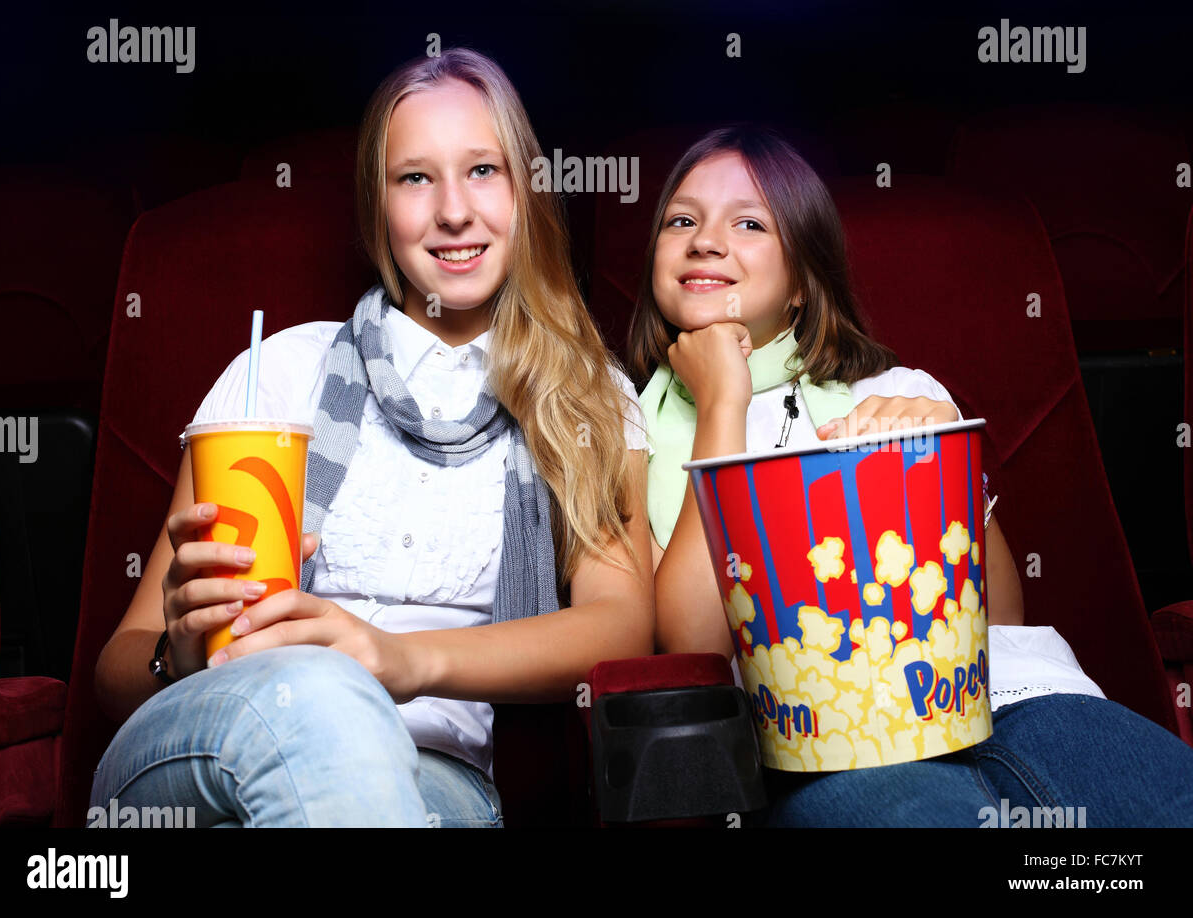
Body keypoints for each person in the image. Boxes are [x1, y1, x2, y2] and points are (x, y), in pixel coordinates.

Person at [90, 48, 654, 828]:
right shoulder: (282, 369)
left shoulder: (588, 397)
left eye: (483, 170)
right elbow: (119, 670)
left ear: (527, 189)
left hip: (431, 780)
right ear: (377, 207)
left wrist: (400, 661)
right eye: (415, 178)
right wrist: (179, 653)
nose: (454, 210)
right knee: (318, 690)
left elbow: (620, 625)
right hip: (205, 736)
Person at [630, 123, 1193, 826]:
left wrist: (936, 471)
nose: (706, 239)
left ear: (804, 281)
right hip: (826, 739)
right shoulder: (626, 429)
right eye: (681, 219)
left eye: (749, 223)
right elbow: (694, 647)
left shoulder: (894, 390)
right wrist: (722, 402)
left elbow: (1000, 616)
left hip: (1016, 697)